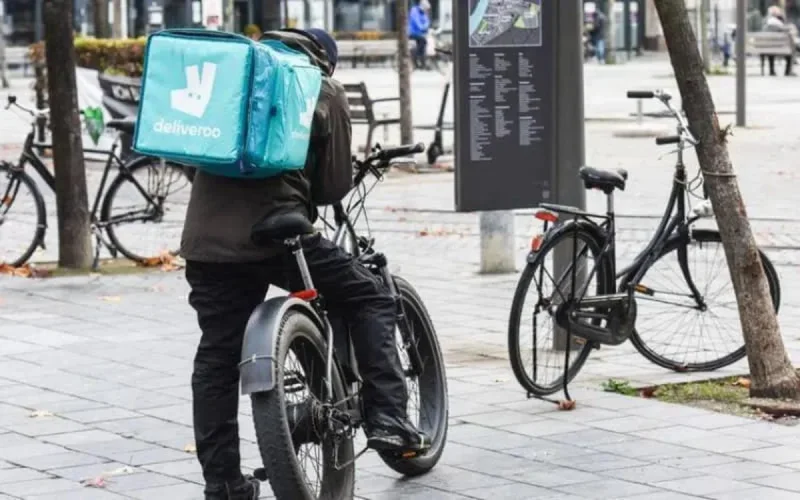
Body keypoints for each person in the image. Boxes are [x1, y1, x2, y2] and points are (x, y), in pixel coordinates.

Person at [181, 28, 429, 500]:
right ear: (325, 60)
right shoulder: (318, 83)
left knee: (216, 358)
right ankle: (390, 420)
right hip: (279, 235)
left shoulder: (234, 74)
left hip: (206, 242)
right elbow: (333, 186)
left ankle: (224, 485)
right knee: (371, 294)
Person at [763, 6, 795, 76]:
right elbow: (787, 30)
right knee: (790, 52)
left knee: (771, 52)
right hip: (780, 48)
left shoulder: (766, 23)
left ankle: (771, 71)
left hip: (767, 48)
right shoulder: (777, 22)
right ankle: (788, 71)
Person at [408, 0, 431, 70]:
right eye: (426, 9)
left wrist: (426, 27)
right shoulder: (414, 10)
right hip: (412, 33)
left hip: (420, 34)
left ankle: (422, 63)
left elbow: (427, 22)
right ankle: (415, 56)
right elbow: (416, 22)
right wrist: (423, 27)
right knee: (423, 41)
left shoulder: (424, 13)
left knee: (424, 44)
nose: (426, 11)